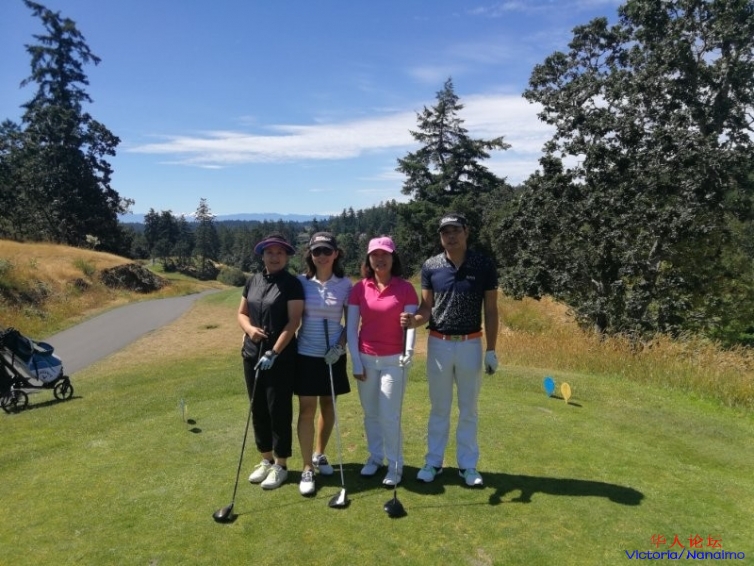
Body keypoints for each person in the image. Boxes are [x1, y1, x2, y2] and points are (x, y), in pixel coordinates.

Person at [401, 212, 499, 487]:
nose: (451, 236)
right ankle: (433, 462)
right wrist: (413, 322)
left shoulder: (483, 264)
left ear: (466, 232)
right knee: (439, 408)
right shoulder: (431, 266)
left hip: (471, 343)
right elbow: (426, 308)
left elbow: (491, 310)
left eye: (456, 230)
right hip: (439, 343)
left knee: (469, 409)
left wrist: (491, 349)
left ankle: (468, 466)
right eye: (445, 232)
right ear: (441, 237)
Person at [347, 236, 418, 487]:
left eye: (385, 254)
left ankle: (395, 465)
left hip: (394, 361)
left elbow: (410, 325)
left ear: (392, 257)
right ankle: (375, 457)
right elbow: (351, 328)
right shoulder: (359, 288)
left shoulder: (405, 288)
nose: (380, 259)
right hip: (366, 359)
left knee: (389, 415)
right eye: (375, 255)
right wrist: (356, 361)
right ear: (368, 259)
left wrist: (409, 351)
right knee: (371, 414)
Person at [238, 232, 304, 490]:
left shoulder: (291, 284)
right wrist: (249, 330)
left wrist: (274, 352)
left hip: (280, 357)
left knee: (278, 409)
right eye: (269, 252)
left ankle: (281, 465)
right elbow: (242, 313)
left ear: (286, 256)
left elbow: (293, 321)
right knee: (258, 408)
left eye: (280, 253)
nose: (274, 257)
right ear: (262, 255)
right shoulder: (252, 281)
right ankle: (266, 459)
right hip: (252, 354)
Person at [294, 232, 353, 496]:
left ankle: (320, 453)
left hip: (333, 355)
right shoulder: (301, 282)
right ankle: (307, 467)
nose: (322, 256)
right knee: (307, 409)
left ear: (335, 254)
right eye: (317, 251)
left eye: (327, 251)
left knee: (328, 405)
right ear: (310, 254)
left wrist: (340, 347)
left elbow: (351, 322)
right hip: (306, 355)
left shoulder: (345, 284)